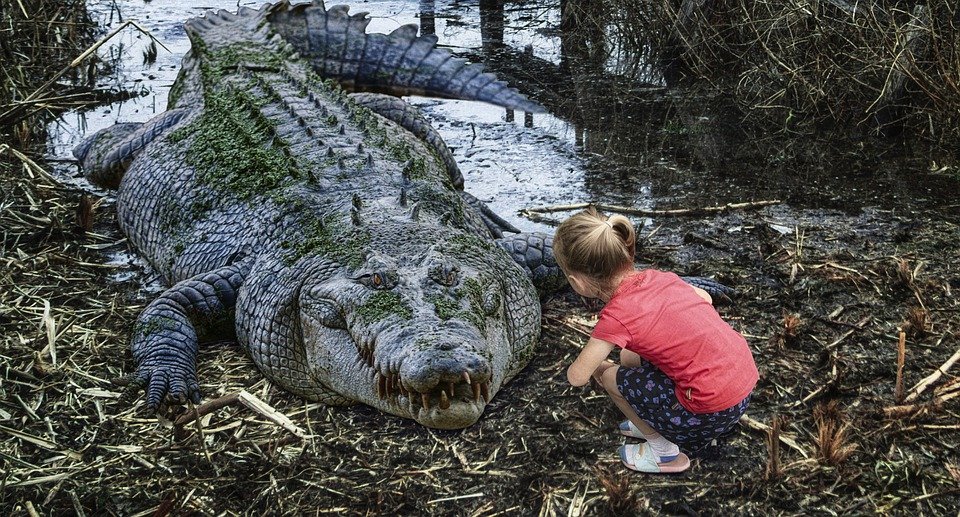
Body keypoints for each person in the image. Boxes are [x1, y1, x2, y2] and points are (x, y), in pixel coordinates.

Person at [553, 207, 758, 473]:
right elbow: (705, 298)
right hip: (742, 392)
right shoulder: (661, 278)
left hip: (707, 414)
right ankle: (650, 416)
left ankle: (664, 453)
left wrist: (591, 366)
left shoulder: (616, 317)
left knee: (609, 377)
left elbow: (577, 377)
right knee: (629, 357)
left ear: (577, 282)